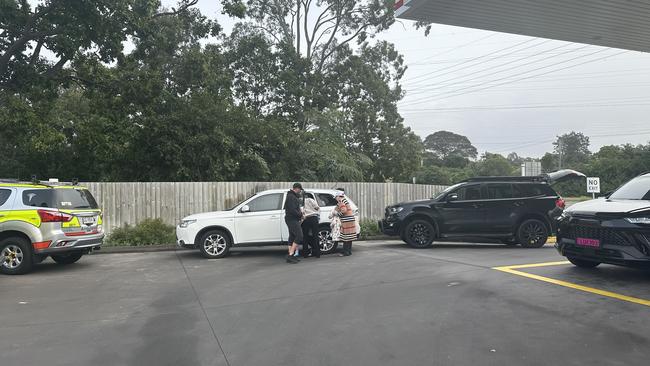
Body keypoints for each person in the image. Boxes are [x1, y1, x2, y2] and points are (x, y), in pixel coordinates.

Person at [284, 183, 304, 264]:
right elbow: (292, 210)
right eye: (300, 190)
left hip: (291, 219)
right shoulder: (291, 197)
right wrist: (300, 215)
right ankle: (291, 254)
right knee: (299, 236)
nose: (300, 191)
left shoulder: (291, 196)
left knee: (292, 236)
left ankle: (290, 255)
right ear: (297, 188)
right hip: (292, 219)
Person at [334, 191, 356, 256]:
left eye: (336, 197)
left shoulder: (341, 201)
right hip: (350, 219)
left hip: (346, 220)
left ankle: (345, 252)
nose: (335, 198)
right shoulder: (345, 200)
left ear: (338, 197)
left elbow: (344, 210)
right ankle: (349, 251)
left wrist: (338, 214)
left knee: (345, 237)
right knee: (350, 236)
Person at [301, 194, 321, 258]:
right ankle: (317, 253)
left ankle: (305, 254)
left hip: (306, 219)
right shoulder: (311, 200)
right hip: (313, 218)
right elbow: (317, 208)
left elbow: (301, 211)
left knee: (305, 237)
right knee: (315, 235)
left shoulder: (301, 201)